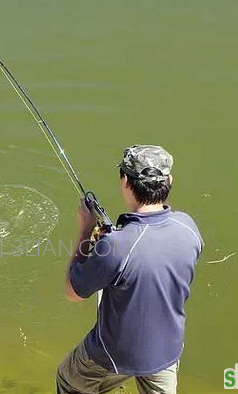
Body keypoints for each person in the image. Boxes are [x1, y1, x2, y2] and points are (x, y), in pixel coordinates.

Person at [57, 145, 203, 394]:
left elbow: (72, 292)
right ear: (169, 180)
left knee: (69, 380)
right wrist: (115, 242)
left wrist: (85, 231)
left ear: (126, 181)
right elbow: (149, 260)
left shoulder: (114, 246)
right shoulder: (188, 227)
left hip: (113, 355)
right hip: (166, 352)